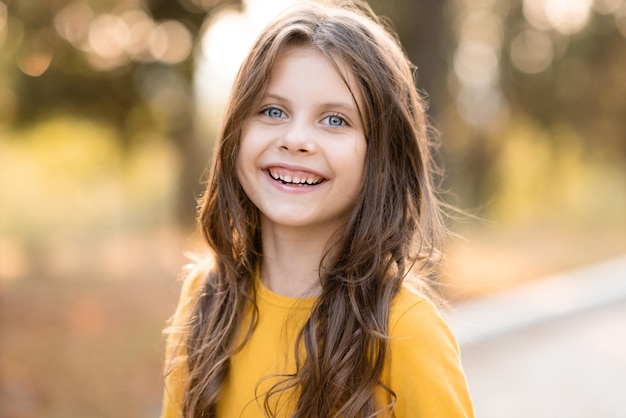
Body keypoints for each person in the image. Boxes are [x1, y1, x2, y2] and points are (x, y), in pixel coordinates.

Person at [161, 1, 474, 417]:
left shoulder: (407, 332)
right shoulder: (204, 298)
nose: (296, 139)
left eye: (335, 120)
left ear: (381, 156)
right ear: (237, 131)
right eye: (273, 111)